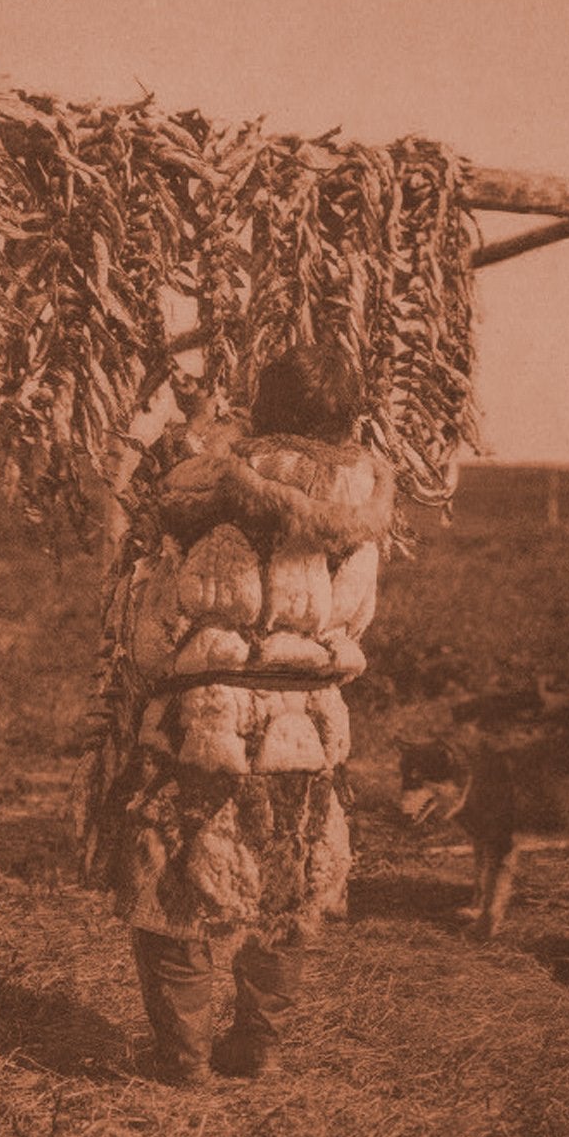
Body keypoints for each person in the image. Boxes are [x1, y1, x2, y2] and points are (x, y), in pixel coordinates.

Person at [73, 342, 394, 1085]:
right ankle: (260, 1046)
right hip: (312, 725)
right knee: (292, 882)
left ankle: (182, 1059)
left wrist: (144, 682)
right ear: (347, 417)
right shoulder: (364, 504)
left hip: (207, 718)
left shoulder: (203, 487)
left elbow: (153, 618)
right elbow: (358, 618)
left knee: (174, 882)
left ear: (265, 403)